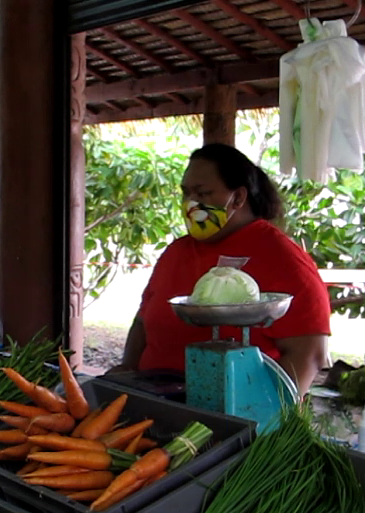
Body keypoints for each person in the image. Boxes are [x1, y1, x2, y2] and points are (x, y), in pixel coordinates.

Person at [109, 144, 331, 394]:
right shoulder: (176, 252)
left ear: (237, 198)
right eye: (186, 193)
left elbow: (309, 354)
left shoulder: (283, 258)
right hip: (154, 398)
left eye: (202, 193)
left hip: (234, 412)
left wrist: (266, 412)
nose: (190, 203)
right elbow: (142, 322)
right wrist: (128, 366)